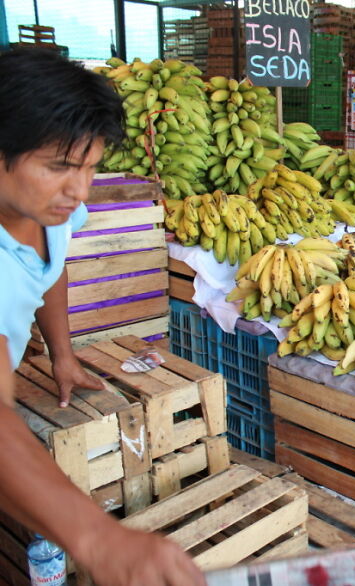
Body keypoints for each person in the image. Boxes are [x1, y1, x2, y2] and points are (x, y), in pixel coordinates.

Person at [0, 49, 205, 586]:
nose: (80, 190)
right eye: (59, 167)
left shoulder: (46, 209)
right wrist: (99, 538)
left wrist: (61, 355)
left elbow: (53, 262)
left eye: (90, 167)